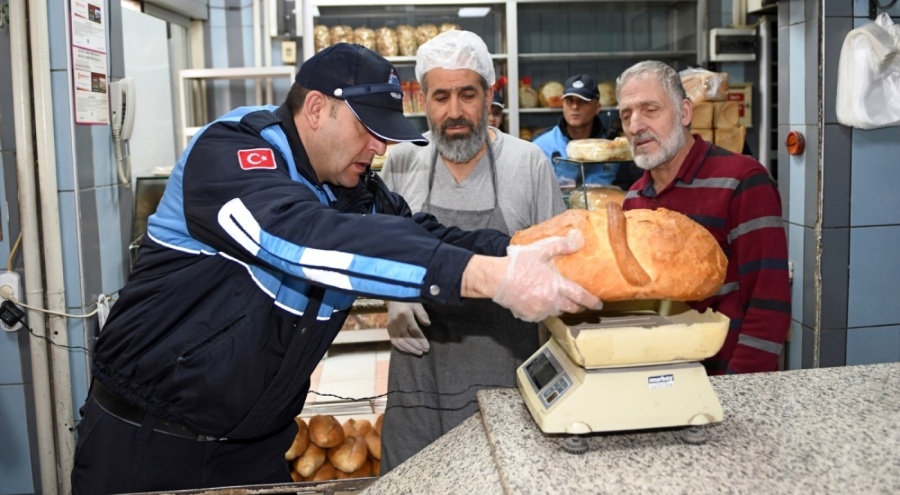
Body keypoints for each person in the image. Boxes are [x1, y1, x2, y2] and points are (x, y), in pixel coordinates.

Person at [70, 43, 602, 494]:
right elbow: (299, 236)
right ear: (317, 108)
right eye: (369, 129)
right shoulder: (233, 152)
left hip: (256, 449)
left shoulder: (353, 190)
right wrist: (489, 279)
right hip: (146, 444)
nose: (380, 148)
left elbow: (427, 234)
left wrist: (525, 252)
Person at [377, 30, 567, 475]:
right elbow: (378, 246)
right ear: (421, 99)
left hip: (508, 370)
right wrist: (393, 295)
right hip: (419, 372)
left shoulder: (527, 164)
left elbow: (558, 269)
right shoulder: (402, 160)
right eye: (441, 97)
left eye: (467, 94)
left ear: (488, 95)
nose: (455, 112)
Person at [616, 60, 791, 375]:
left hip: (726, 383)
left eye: (649, 109)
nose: (635, 126)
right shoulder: (634, 200)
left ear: (684, 113)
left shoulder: (741, 181)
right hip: (659, 381)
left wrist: (742, 391)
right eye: (626, 114)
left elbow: (769, 304)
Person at [532, 73, 622, 188]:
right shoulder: (540, 147)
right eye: (569, 101)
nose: (575, 107)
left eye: (583, 101)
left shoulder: (612, 149)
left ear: (597, 108)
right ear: (562, 105)